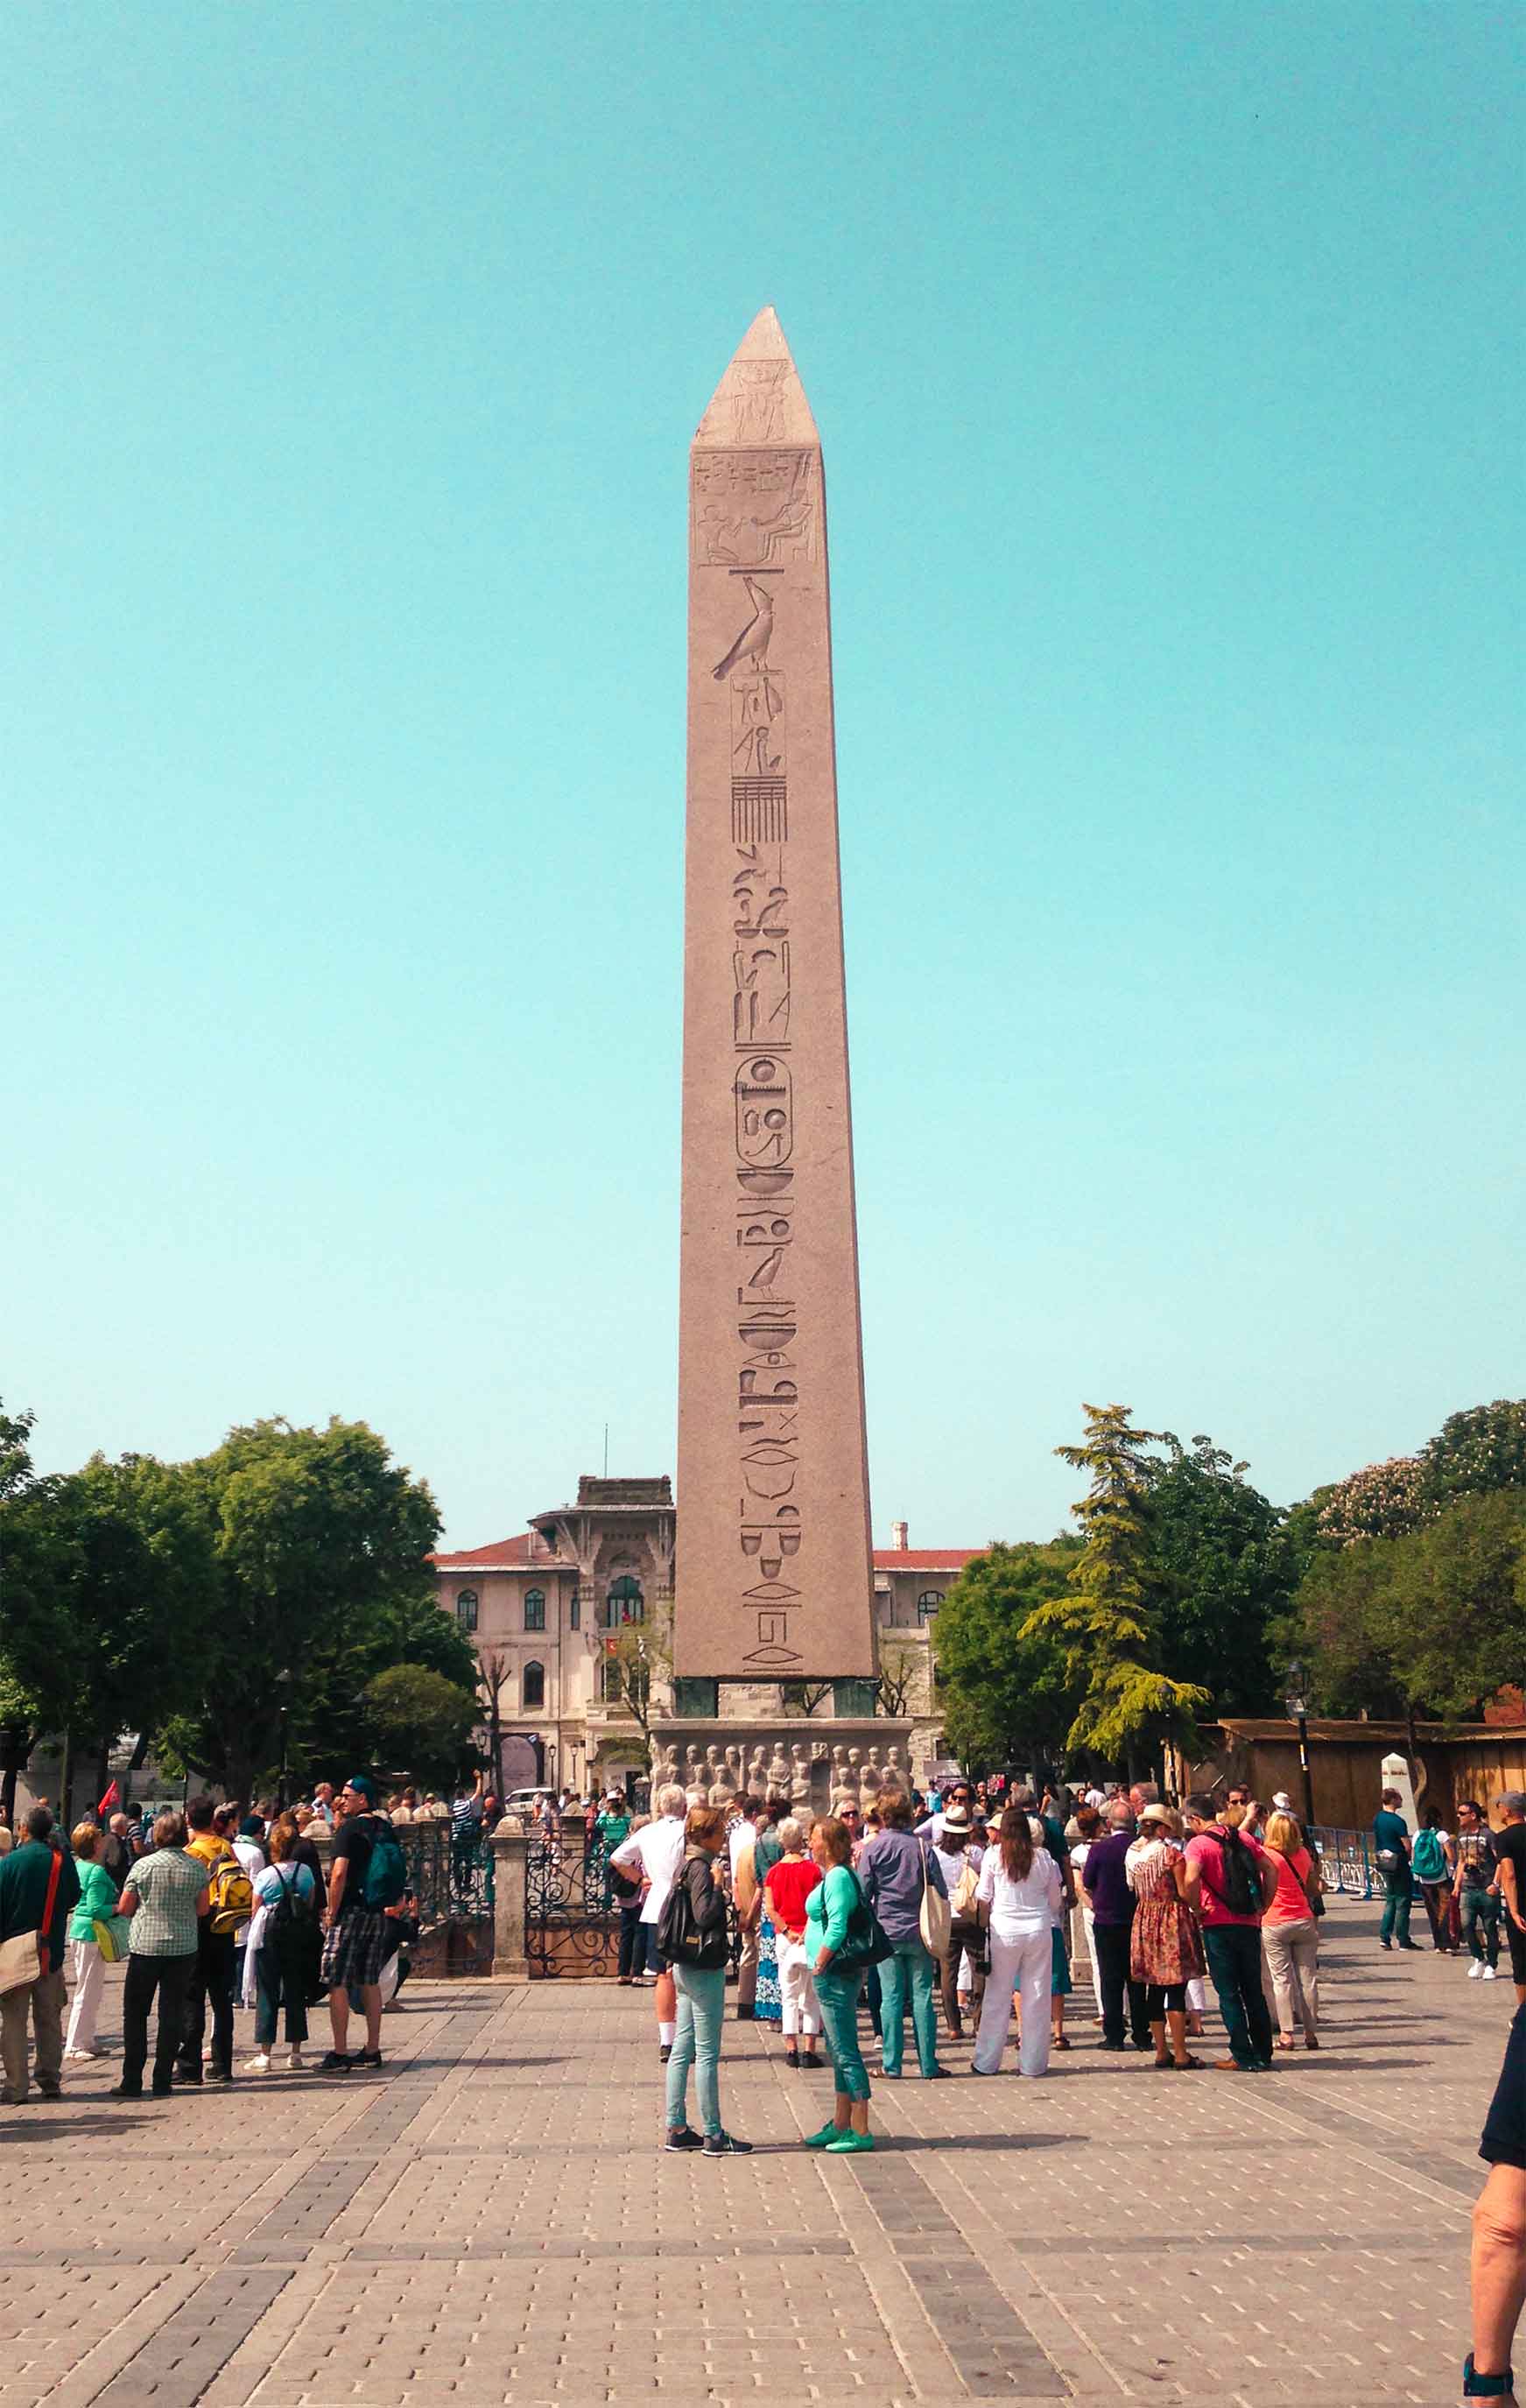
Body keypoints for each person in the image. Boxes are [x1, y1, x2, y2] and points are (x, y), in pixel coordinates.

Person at [662, 1805, 749, 2157]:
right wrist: (717, 1886)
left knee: (681, 2049)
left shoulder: (684, 1865)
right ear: (707, 1835)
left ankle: (676, 2126)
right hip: (702, 1968)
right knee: (707, 2052)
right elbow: (704, 1914)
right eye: (720, 1832)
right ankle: (713, 2133)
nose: (724, 1837)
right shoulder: (701, 1869)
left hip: (684, 1966)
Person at [110, 1812, 211, 2099]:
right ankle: (163, 2078)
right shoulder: (196, 1867)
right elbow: (203, 1909)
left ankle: (132, 2078)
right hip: (182, 1948)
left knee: (136, 2013)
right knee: (172, 2013)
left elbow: (127, 1907)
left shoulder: (143, 1866)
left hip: (146, 1946)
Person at [1182, 1792, 1277, 2073]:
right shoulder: (1242, 1838)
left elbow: (1190, 1878)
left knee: (1228, 1993)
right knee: (1253, 1991)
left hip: (1217, 1924)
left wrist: (1195, 1906)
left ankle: (1241, 2054)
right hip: (1248, 1921)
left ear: (1196, 1819)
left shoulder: (1198, 1845)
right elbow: (1270, 1869)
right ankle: (1263, 2051)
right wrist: (1265, 1905)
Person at [858, 1788, 948, 2081]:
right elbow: (941, 1890)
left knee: (891, 1996)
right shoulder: (923, 1848)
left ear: (883, 1817)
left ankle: (891, 2064)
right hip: (921, 1930)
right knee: (922, 1996)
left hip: (887, 1930)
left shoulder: (874, 1848)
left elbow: (863, 1892)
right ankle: (928, 2064)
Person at [971, 1805, 1062, 2077]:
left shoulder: (993, 1856)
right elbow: (1055, 1900)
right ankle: (1033, 2064)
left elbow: (983, 1896)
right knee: (1036, 1996)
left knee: (997, 1997)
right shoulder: (1043, 1857)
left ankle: (986, 2062)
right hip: (1038, 1929)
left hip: (1003, 1930)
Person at [0, 1803, 81, 2103]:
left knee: (14, 2023)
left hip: (13, 1952)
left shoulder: (8, 1864)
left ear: (23, 1829)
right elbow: (74, 1895)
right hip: (50, 1951)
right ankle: (49, 2079)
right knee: (49, 2020)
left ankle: (16, 2086)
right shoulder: (61, 1861)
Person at [804, 1816, 875, 2152]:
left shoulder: (837, 1879)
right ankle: (841, 2121)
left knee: (846, 2050)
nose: (810, 1844)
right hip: (830, 1973)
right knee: (835, 2047)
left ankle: (860, 2128)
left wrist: (820, 1962)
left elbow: (838, 1927)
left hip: (834, 1973)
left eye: (814, 1839)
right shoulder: (831, 1876)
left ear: (829, 1844)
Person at [1123, 1804, 1206, 2071]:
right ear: (1161, 1828)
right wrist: (1198, 1906)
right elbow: (1183, 1892)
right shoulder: (1171, 1856)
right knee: (1176, 1987)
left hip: (1145, 1919)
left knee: (1154, 1989)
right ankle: (1181, 2053)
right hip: (1171, 1919)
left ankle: (1161, 2051)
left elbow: (1132, 1887)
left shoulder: (1133, 1856)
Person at [319, 1776, 391, 2073]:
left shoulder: (349, 1830)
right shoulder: (385, 1829)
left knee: (338, 1980)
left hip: (349, 1912)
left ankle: (340, 2052)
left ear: (363, 1799)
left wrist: (331, 1912)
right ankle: (373, 2049)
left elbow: (338, 1875)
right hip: (375, 1912)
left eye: (348, 1795)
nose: (343, 1799)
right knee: (369, 1980)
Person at [609, 1784, 687, 2060]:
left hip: (655, 1905)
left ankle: (667, 2041)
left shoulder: (647, 1831)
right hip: (684, 1905)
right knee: (688, 1973)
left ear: (660, 1807)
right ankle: (687, 2037)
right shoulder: (687, 1831)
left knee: (663, 1975)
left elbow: (617, 1857)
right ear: (684, 1807)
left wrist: (639, 1878)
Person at [175, 1794, 242, 2087]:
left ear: (189, 1820)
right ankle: (222, 2063)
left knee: (192, 1998)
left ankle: (190, 2067)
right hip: (226, 1928)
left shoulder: (192, 1852)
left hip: (200, 1928)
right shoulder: (226, 1846)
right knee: (221, 2000)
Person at [245, 1815, 319, 2071]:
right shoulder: (306, 1871)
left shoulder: (267, 1874)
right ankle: (296, 2052)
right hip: (297, 1934)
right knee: (295, 1990)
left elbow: (256, 1909)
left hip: (271, 1934)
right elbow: (309, 1904)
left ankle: (265, 2053)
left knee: (268, 1990)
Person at [1084, 1799, 1150, 2052]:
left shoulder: (1100, 1850)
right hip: (1136, 1918)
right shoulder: (1140, 1848)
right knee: (1137, 1980)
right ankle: (1142, 2034)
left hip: (1107, 1920)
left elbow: (1088, 1881)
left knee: (1111, 1980)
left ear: (1109, 1823)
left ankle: (1114, 2035)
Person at [1259, 1806, 1322, 2053]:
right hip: (1303, 1919)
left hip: (1275, 1920)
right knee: (1309, 1980)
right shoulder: (1304, 1853)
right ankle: (1311, 2033)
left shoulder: (1266, 1856)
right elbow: (1309, 1885)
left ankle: (1287, 2033)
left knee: (1281, 1979)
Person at [763, 1816, 823, 2069]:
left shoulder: (773, 1872)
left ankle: (790, 2048)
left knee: (787, 1993)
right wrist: (806, 1930)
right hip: (808, 1935)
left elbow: (770, 1908)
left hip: (784, 1937)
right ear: (801, 1840)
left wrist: (786, 1930)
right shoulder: (813, 1871)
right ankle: (810, 2049)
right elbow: (818, 1905)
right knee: (810, 1994)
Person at [64, 1820, 121, 2061]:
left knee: (91, 1989)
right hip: (91, 1932)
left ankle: (86, 2039)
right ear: (95, 1844)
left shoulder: (79, 1866)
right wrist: (118, 1907)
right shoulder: (96, 1872)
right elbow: (97, 1908)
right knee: (87, 1990)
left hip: (81, 1930)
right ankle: (75, 2044)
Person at [929, 1805, 985, 2040]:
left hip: (946, 1917)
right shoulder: (975, 1853)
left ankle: (953, 2025)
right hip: (971, 1916)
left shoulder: (934, 1853)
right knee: (979, 1970)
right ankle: (980, 2022)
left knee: (947, 1972)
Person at [1068, 1806, 1106, 2026]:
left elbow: (1078, 1886)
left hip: (1092, 1908)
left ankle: (1104, 2009)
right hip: (1114, 1905)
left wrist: (1092, 1906)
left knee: (1097, 1961)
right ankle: (1124, 2006)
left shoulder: (1078, 1853)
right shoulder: (1110, 1848)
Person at [1374, 1785, 1418, 1951]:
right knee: (1403, 1901)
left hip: (1384, 1861)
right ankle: (1403, 1938)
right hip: (1398, 1861)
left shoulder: (1378, 1818)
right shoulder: (1397, 1821)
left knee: (1390, 1899)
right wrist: (1409, 1858)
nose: (1401, 1800)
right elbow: (1406, 1845)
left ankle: (1384, 1937)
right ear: (1393, 1800)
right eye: (1399, 1798)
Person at [1493, 1798, 1526, 2010]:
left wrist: (1513, 1911)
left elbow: (1510, 1874)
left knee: (1522, 1961)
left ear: (1506, 1810)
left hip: (1521, 1905)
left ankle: (1523, 2016)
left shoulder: (1503, 1838)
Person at [728, 1797, 760, 2014]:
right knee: (758, 1946)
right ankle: (756, 1998)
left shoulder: (736, 1831)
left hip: (739, 1886)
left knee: (748, 1947)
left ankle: (745, 1999)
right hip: (751, 1884)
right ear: (755, 1814)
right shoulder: (752, 1835)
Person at [1414, 1810, 1460, 1953]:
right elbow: (1452, 1857)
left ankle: (1438, 1943)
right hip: (1442, 1878)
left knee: (1432, 1912)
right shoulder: (1441, 1835)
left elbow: (1413, 1856)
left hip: (1424, 1879)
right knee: (1445, 1911)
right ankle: (1448, 1942)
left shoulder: (1417, 1834)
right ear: (1439, 1819)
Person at [102, 1812, 134, 1889]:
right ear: (121, 1827)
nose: (128, 1828)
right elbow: (112, 1865)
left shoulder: (105, 1839)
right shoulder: (114, 1842)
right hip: (114, 1885)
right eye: (127, 1825)